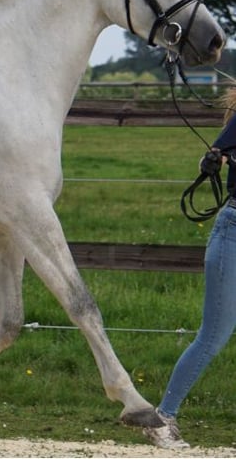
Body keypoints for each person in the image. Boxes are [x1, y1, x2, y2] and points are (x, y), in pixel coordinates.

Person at [145, 88, 236, 449]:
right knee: (213, 336)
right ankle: (162, 417)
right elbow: (214, 154)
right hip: (233, 236)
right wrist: (213, 161)